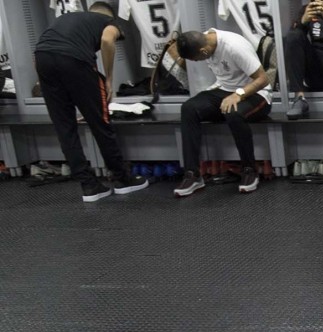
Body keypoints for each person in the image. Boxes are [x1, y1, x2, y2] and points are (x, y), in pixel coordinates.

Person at [33, 1, 149, 203]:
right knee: (100, 123)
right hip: (74, 60)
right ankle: (123, 179)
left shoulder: (66, 19)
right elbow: (107, 41)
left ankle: (89, 186)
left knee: (64, 127)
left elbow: (44, 50)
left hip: (43, 59)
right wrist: (110, 79)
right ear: (109, 16)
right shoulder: (108, 22)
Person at [172, 29, 272, 197]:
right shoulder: (203, 41)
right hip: (225, 90)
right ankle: (193, 174)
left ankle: (249, 170)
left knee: (233, 112)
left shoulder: (234, 46)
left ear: (204, 51)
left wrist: (238, 95)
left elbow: (263, 79)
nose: (197, 62)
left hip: (257, 94)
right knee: (189, 108)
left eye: (196, 59)